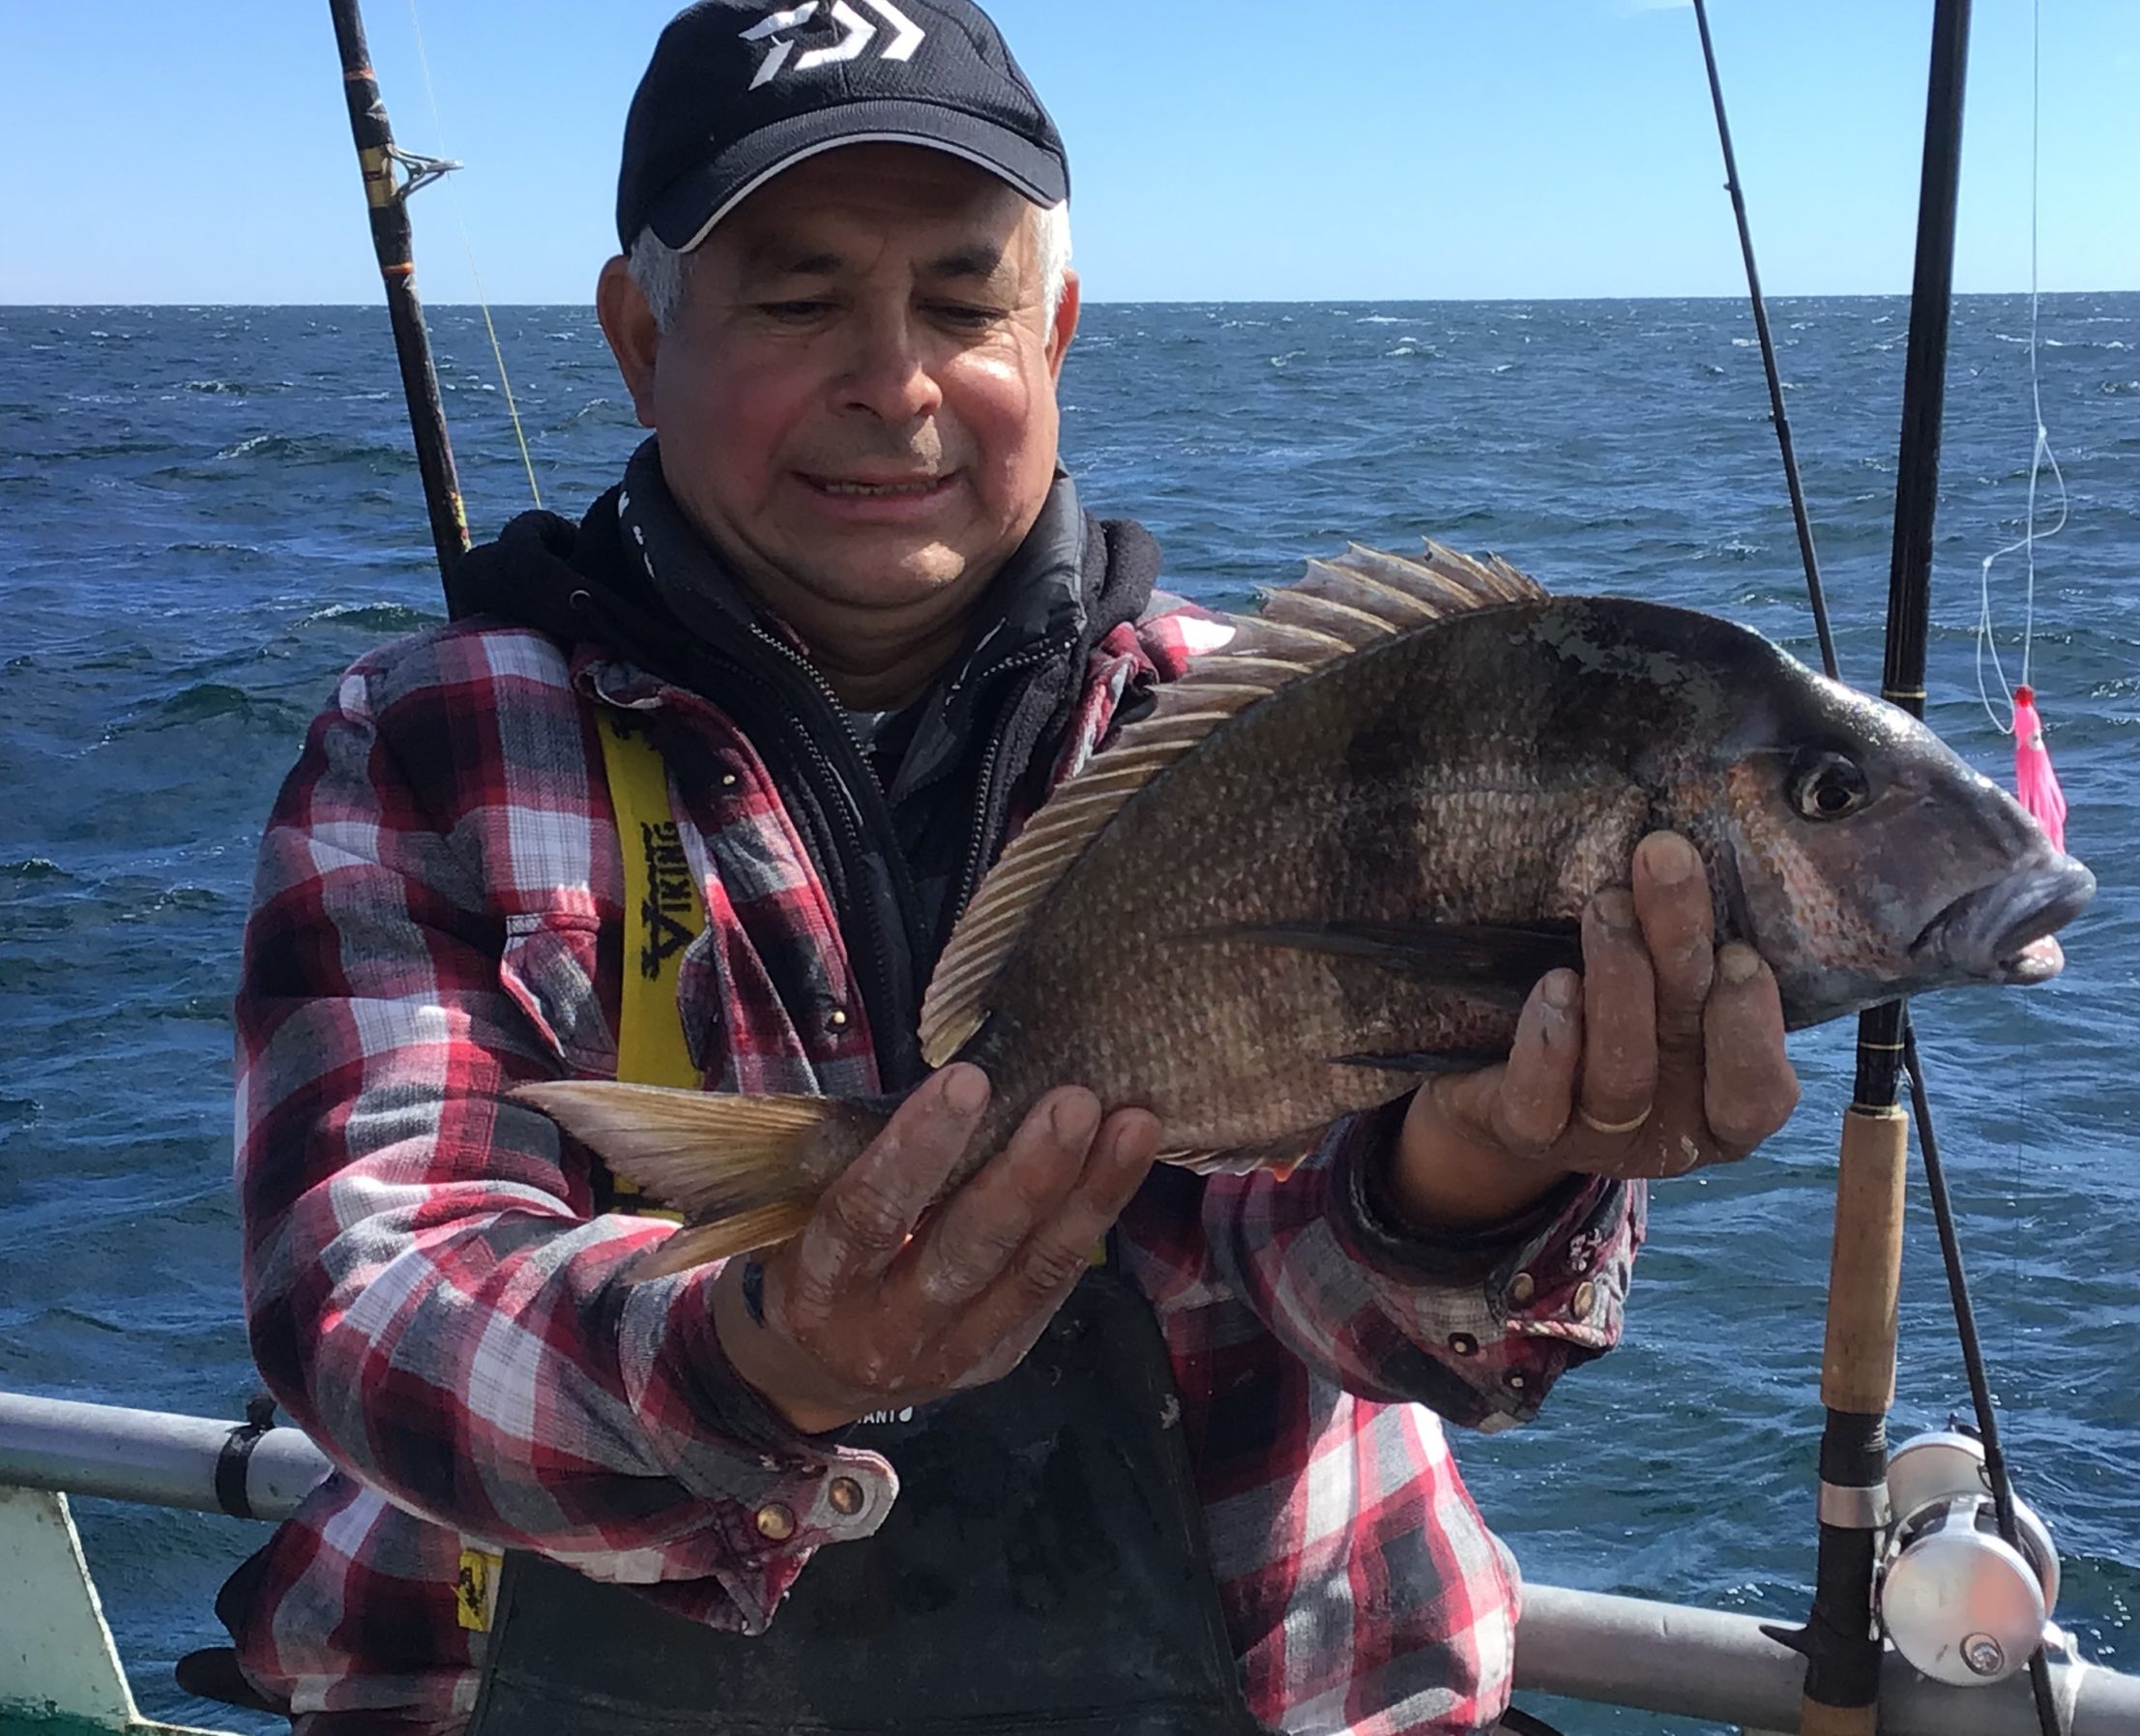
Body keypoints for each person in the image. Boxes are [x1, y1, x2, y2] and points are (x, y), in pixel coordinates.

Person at [217, 3, 1802, 1731]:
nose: (892, 380)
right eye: (798, 296)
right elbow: (368, 1298)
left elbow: (1353, 1304)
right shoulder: (427, 741)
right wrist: (759, 1356)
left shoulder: (1236, 724)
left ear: (1053, 330)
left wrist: (1479, 1180)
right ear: (635, 339)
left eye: (963, 302)